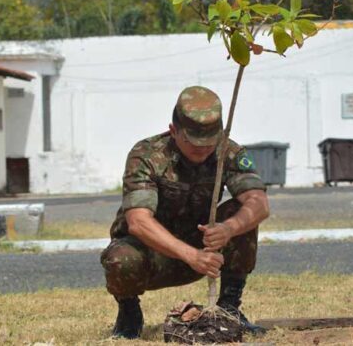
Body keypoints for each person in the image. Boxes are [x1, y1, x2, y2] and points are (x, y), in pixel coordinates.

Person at [100, 85, 270, 339]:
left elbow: (260, 203)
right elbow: (138, 222)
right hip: (152, 254)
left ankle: (229, 308)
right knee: (121, 257)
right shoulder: (147, 155)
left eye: (209, 144)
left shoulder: (229, 152)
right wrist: (191, 255)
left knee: (239, 211)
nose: (202, 151)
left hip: (204, 249)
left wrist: (227, 229)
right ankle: (129, 314)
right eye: (193, 144)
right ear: (173, 130)